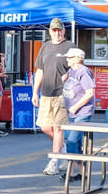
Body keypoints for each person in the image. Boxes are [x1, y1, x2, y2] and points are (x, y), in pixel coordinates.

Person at [33, 18, 74, 176]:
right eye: (54, 30)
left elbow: (77, 68)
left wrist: (69, 75)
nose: (57, 33)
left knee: (58, 127)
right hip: (46, 93)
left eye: (59, 30)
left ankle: (54, 162)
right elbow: (40, 71)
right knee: (45, 127)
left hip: (62, 94)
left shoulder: (70, 47)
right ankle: (62, 150)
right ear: (49, 31)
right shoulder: (45, 47)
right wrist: (35, 92)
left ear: (64, 31)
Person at [61, 47, 96, 178]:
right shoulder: (72, 70)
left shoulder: (84, 72)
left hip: (81, 112)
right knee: (76, 142)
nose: (67, 59)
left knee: (71, 140)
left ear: (77, 59)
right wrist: (64, 78)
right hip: (72, 112)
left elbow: (90, 93)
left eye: (69, 58)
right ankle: (82, 172)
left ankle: (71, 170)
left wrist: (76, 107)